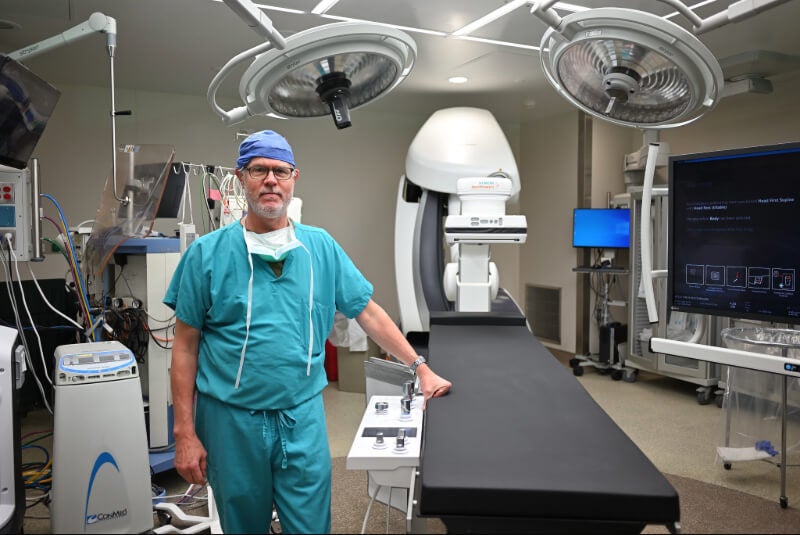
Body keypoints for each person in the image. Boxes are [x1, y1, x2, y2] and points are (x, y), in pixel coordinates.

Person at [164, 130, 452, 534]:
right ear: (240, 177)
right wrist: (184, 432)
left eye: (280, 171)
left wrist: (420, 367)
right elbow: (185, 346)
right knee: (242, 523)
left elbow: (368, 313)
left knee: (311, 525)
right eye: (259, 170)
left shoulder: (321, 248)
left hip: (301, 416)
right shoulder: (206, 255)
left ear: (294, 178)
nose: (270, 180)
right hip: (231, 420)